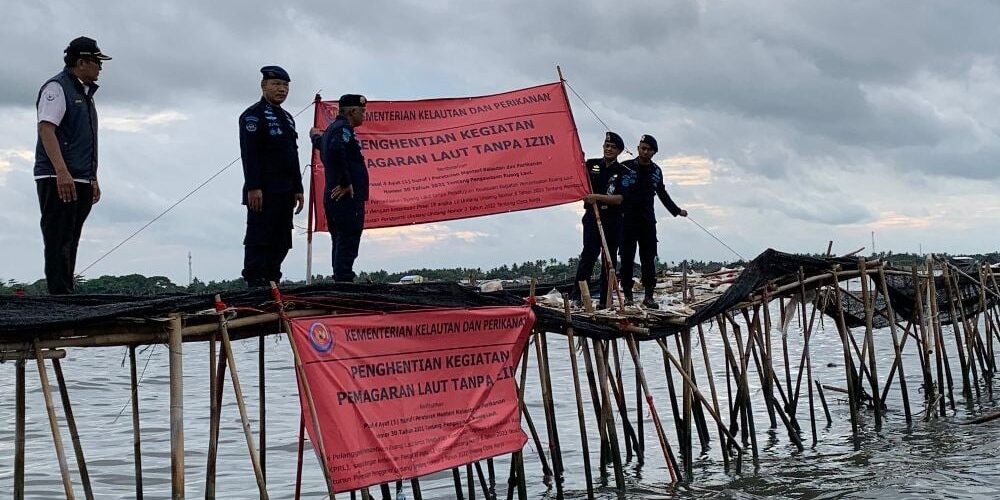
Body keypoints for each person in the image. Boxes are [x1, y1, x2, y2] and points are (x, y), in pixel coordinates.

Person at [34, 37, 111, 294]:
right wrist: (61, 171)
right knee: (58, 237)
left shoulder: (85, 94)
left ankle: (67, 292)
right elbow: (46, 128)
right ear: (81, 62)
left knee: (72, 237)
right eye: (96, 61)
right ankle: (60, 296)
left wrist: (92, 177)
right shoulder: (57, 88)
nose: (100, 67)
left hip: (81, 177)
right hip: (58, 177)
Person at [238, 65, 304, 287]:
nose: (282, 89)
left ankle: (273, 279)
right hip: (263, 191)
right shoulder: (252, 116)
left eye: (285, 86)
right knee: (260, 238)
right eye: (276, 84)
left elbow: (292, 155)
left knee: (282, 239)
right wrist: (253, 187)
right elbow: (250, 155)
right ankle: (255, 282)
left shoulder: (287, 118)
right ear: (264, 85)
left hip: (285, 190)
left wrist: (299, 188)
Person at [619, 134, 688, 308]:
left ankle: (649, 296)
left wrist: (677, 210)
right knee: (626, 257)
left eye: (649, 149)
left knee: (648, 258)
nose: (645, 151)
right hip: (626, 220)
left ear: (654, 152)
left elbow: (662, 193)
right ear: (638, 149)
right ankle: (627, 294)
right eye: (642, 148)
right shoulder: (625, 167)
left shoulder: (656, 171)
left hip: (647, 221)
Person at [310, 94, 368, 282]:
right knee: (347, 239)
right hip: (345, 197)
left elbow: (322, 144)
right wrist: (345, 182)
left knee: (341, 239)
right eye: (362, 111)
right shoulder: (343, 129)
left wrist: (313, 135)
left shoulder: (332, 130)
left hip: (335, 197)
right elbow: (335, 149)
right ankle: (344, 280)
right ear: (352, 111)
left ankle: (342, 277)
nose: (364, 115)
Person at [571, 131, 630, 308]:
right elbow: (579, 180)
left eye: (613, 147)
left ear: (619, 151)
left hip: (612, 219)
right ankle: (578, 296)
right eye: (607, 146)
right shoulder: (591, 165)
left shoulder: (623, 172)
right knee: (588, 255)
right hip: (592, 217)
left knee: (608, 259)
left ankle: (605, 301)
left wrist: (596, 197)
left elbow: (619, 198)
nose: (609, 149)